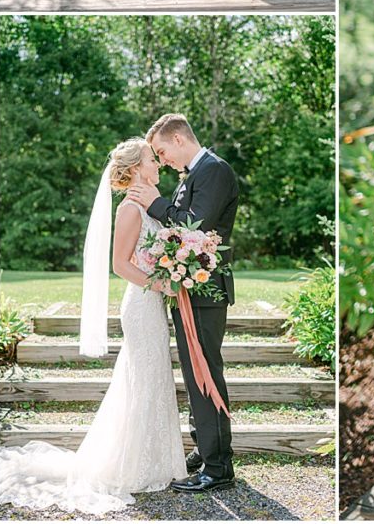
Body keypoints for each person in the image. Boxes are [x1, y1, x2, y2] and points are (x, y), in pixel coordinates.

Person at [0, 139, 187, 513]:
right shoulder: (130, 210)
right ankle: (133, 466)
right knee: (144, 379)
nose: (158, 164)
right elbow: (120, 265)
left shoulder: (147, 204)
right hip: (141, 304)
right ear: (136, 167)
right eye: (153, 159)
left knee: (152, 379)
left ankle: (159, 461)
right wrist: (161, 283)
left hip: (152, 304)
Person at [128, 113, 239, 493]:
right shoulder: (193, 175)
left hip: (205, 293)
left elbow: (194, 225)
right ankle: (206, 449)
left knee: (205, 375)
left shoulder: (214, 171)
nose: (162, 161)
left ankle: (218, 467)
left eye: (162, 152)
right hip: (187, 289)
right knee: (195, 376)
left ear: (178, 139)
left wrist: (157, 204)